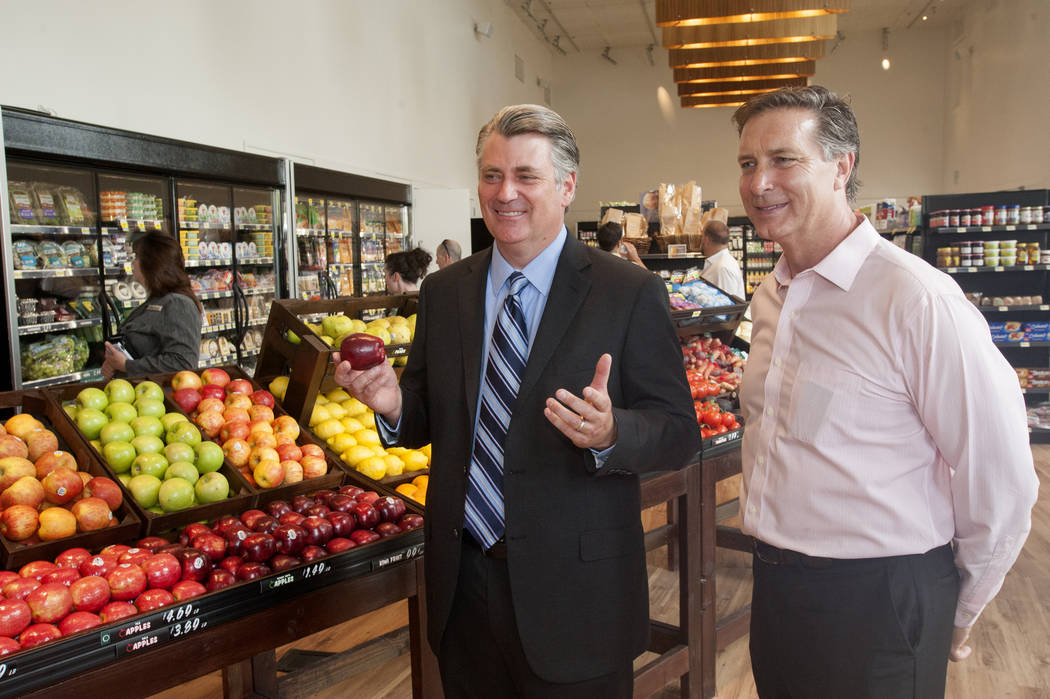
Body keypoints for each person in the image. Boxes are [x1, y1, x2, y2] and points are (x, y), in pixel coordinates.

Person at [334, 104, 699, 697]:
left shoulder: (628, 292)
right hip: (463, 586)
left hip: (576, 599)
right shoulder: (445, 291)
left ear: (567, 185)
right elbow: (430, 409)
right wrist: (395, 404)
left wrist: (611, 434)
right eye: (491, 175)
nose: (505, 194)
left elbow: (680, 432)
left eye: (526, 176)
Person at [734, 85, 1039, 698]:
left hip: (883, 602)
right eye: (747, 163)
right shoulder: (771, 295)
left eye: (784, 159)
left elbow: (1001, 475)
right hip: (776, 590)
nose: (759, 182)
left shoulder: (915, 298)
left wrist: (959, 609)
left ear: (842, 166)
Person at [101, 232, 202, 378]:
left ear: (151, 263)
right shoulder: (157, 301)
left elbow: (183, 364)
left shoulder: (178, 303)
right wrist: (113, 364)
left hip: (158, 397)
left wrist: (126, 365)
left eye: (136, 257)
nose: (133, 263)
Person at [698, 219, 744, 299]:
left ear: (706, 240)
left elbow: (726, 306)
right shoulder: (719, 263)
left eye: (702, 236)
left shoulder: (723, 268)